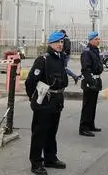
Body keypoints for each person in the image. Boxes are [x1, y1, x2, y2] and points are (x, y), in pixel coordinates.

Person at [25, 31, 69, 175]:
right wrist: (33, 98)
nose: (60, 45)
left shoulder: (61, 58)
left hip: (56, 101)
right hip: (44, 102)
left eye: (62, 42)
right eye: (57, 42)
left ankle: (50, 158)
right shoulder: (42, 59)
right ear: (50, 43)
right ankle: (36, 162)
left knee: (52, 132)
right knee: (39, 133)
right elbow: (31, 81)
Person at [79, 31, 104, 137]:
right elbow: (85, 69)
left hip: (96, 80)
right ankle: (83, 128)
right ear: (91, 40)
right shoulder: (87, 52)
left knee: (93, 105)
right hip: (90, 82)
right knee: (87, 105)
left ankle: (90, 125)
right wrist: (91, 82)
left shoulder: (95, 50)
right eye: (97, 39)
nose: (99, 41)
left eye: (99, 39)